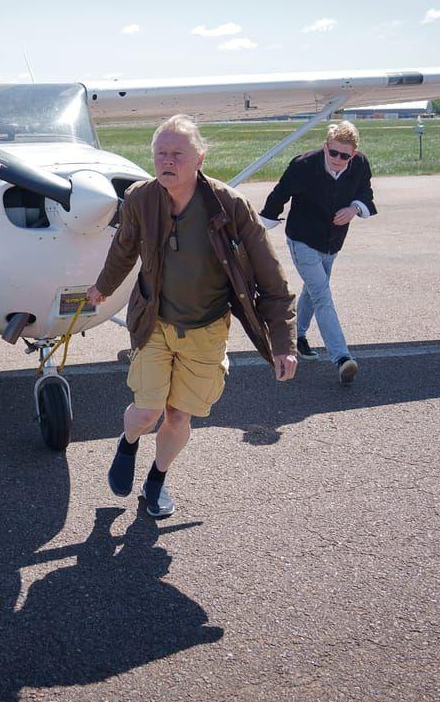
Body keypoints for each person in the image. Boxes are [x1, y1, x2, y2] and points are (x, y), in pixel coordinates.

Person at [86, 114, 298, 518]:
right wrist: (103, 286)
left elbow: (272, 279)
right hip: (154, 322)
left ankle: (157, 480)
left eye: (177, 154)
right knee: (147, 412)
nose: (167, 160)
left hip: (206, 329)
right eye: (160, 153)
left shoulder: (230, 205)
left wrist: (283, 344)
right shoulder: (140, 198)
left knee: (178, 414)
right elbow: (124, 248)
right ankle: (128, 441)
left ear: (199, 158)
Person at [259, 120, 376, 385]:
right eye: (333, 152)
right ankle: (342, 358)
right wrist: (262, 228)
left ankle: (297, 338)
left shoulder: (359, 165)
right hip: (302, 240)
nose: (337, 159)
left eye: (344, 155)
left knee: (314, 291)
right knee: (323, 295)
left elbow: (365, 192)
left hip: (332, 242)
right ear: (325, 147)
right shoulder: (303, 165)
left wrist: (355, 209)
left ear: (353, 155)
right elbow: (280, 194)